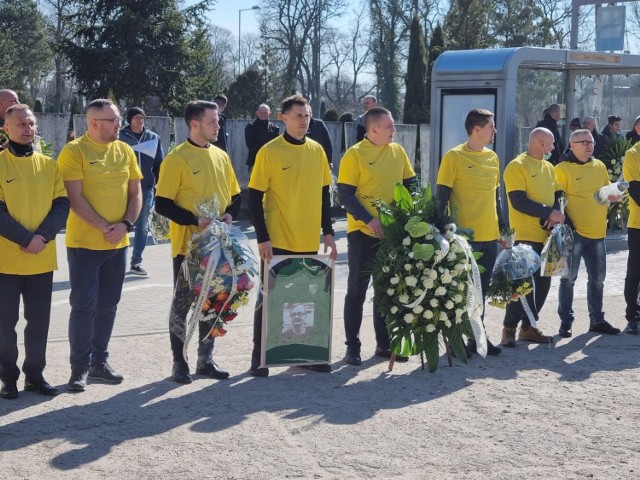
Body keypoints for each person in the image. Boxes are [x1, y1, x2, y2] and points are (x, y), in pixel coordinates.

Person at [247, 94, 337, 377]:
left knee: (304, 299)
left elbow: (324, 194)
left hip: (308, 239)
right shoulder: (269, 151)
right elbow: (254, 198)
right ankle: (259, 356)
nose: (303, 120)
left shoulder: (317, 150)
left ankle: (304, 354)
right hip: (278, 238)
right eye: (298, 115)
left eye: (307, 115)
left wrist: (329, 232)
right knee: (269, 298)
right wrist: (262, 238)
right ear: (282, 118)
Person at [57, 99, 143, 392]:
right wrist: (106, 227)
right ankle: (78, 368)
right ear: (93, 123)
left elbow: (136, 194)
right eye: (113, 121)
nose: (120, 125)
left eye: (118, 120)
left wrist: (126, 226)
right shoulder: (74, 151)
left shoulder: (125, 150)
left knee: (108, 306)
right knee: (83, 307)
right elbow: (74, 199)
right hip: (84, 245)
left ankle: (99, 364)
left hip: (119, 244)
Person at [155, 100, 241, 384]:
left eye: (218, 121)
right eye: (213, 121)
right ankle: (179, 362)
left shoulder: (221, 155)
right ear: (195, 124)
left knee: (215, 304)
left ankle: (206, 358)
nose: (218, 126)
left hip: (219, 246)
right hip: (188, 249)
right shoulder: (176, 158)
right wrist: (194, 220)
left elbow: (236, 194)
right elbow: (163, 204)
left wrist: (230, 213)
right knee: (183, 305)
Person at [337, 106, 416, 366]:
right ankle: (353, 347)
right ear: (373, 129)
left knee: (386, 291)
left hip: (391, 235)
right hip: (362, 233)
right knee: (357, 292)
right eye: (389, 126)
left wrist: (412, 216)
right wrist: (368, 220)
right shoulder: (355, 155)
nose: (394, 130)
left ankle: (384, 345)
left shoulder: (398, 151)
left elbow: (410, 186)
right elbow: (346, 195)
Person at [0, 104, 69, 399]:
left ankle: (35, 375)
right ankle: (8, 378)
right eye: (21, 125)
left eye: (30, 124)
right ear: (6, 128)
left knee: (39, 322)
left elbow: (62, 204)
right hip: (6, 260)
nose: (27, 129)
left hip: (42, 257)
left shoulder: (49, 165)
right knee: (5, 324)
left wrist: (42, 236)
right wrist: (26, 238)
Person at [436, 108, 504, 356]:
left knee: (481, 291)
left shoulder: (493, 158)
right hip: (463, 239)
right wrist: (443, 233)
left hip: (490, 235)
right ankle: (457, 341)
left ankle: (478, 338)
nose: (494, 130)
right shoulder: (453, 157)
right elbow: (441, 198)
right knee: (460, 291)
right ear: (477, 129)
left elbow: (496, 197)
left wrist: (503, 228)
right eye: (491, 126)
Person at [500, 128, 565, 347]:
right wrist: (549, 212)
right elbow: (518, 201)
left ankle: (528, 328)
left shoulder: (549, 167)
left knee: (543, 285)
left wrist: (554, 215)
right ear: (539, 143)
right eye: (551, 143)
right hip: (524, 237)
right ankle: (508, 330)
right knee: (521, 286)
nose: (554, 147)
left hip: (547, 237)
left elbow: (558, 195)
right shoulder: (516, 166)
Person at [555, 129, 621, 337]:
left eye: (590, 142)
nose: (589, 145)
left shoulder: (599, 165)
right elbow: (558, 199)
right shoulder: (562, 169)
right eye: (583, 142)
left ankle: (597, 320)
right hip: (574, 234)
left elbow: (602, 194)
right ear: (571, 145)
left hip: (597, 232)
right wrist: (570, 225)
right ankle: (566, 321)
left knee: (598, 279)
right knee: (568, 279)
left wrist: (612, 196)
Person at [119, 107, 165, 276]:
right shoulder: (120, 137)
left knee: (142, 226)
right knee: (121, 223)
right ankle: (116, 262)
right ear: (129, 120)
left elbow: (160, 163)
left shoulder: (154, 138)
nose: (140, 121)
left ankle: (136, 262)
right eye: (137, 118)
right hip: (121, 188)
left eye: (142, 118)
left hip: (145, 188)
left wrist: (160, 184)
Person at [622, 138, 640, 334]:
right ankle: (632, 317)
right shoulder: (633, 154)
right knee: (635, 272)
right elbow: (636, 191)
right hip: (638, 225)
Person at [245, 104, 280, 170]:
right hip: (254, 161)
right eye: (261, 112)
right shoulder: (250, 127)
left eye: (265, 112)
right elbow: (250, 145)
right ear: (257, 113)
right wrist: (263, 153)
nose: (263, 114)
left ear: (269, 113)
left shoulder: (275, 128)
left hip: (271, 161)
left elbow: (276, 145)